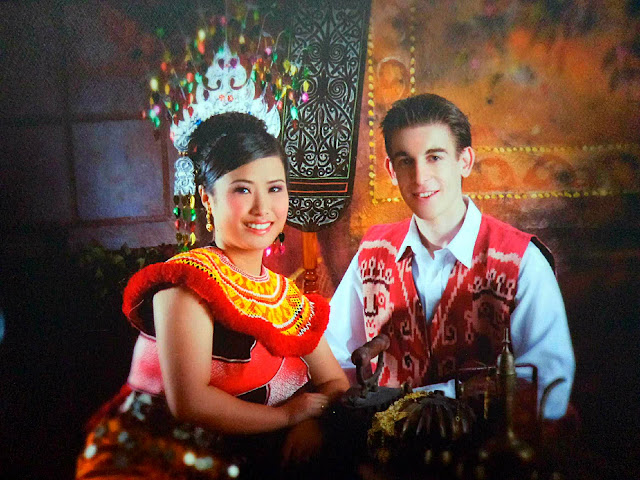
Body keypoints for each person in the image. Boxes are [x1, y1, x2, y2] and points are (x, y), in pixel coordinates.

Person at [76, 112, 349, 480]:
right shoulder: (185, 283)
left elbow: (335, 382)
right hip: (166, 454)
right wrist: (287, 415)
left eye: (275, 188)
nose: (262, 208)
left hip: (256, 451)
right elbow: (190, 402)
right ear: (207, 197)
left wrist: (313, 423)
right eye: (242, 189)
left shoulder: (285, 295)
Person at [326, 93, 575, 420]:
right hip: (387, 445)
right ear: (391, 170)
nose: (420, 177)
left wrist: (430, 399)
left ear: (465, 161)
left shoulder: (521, 261)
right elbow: (333, 355)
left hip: (488, 445)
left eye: (434, 157)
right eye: (405, 160)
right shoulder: (372, 252)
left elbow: (549, 387)